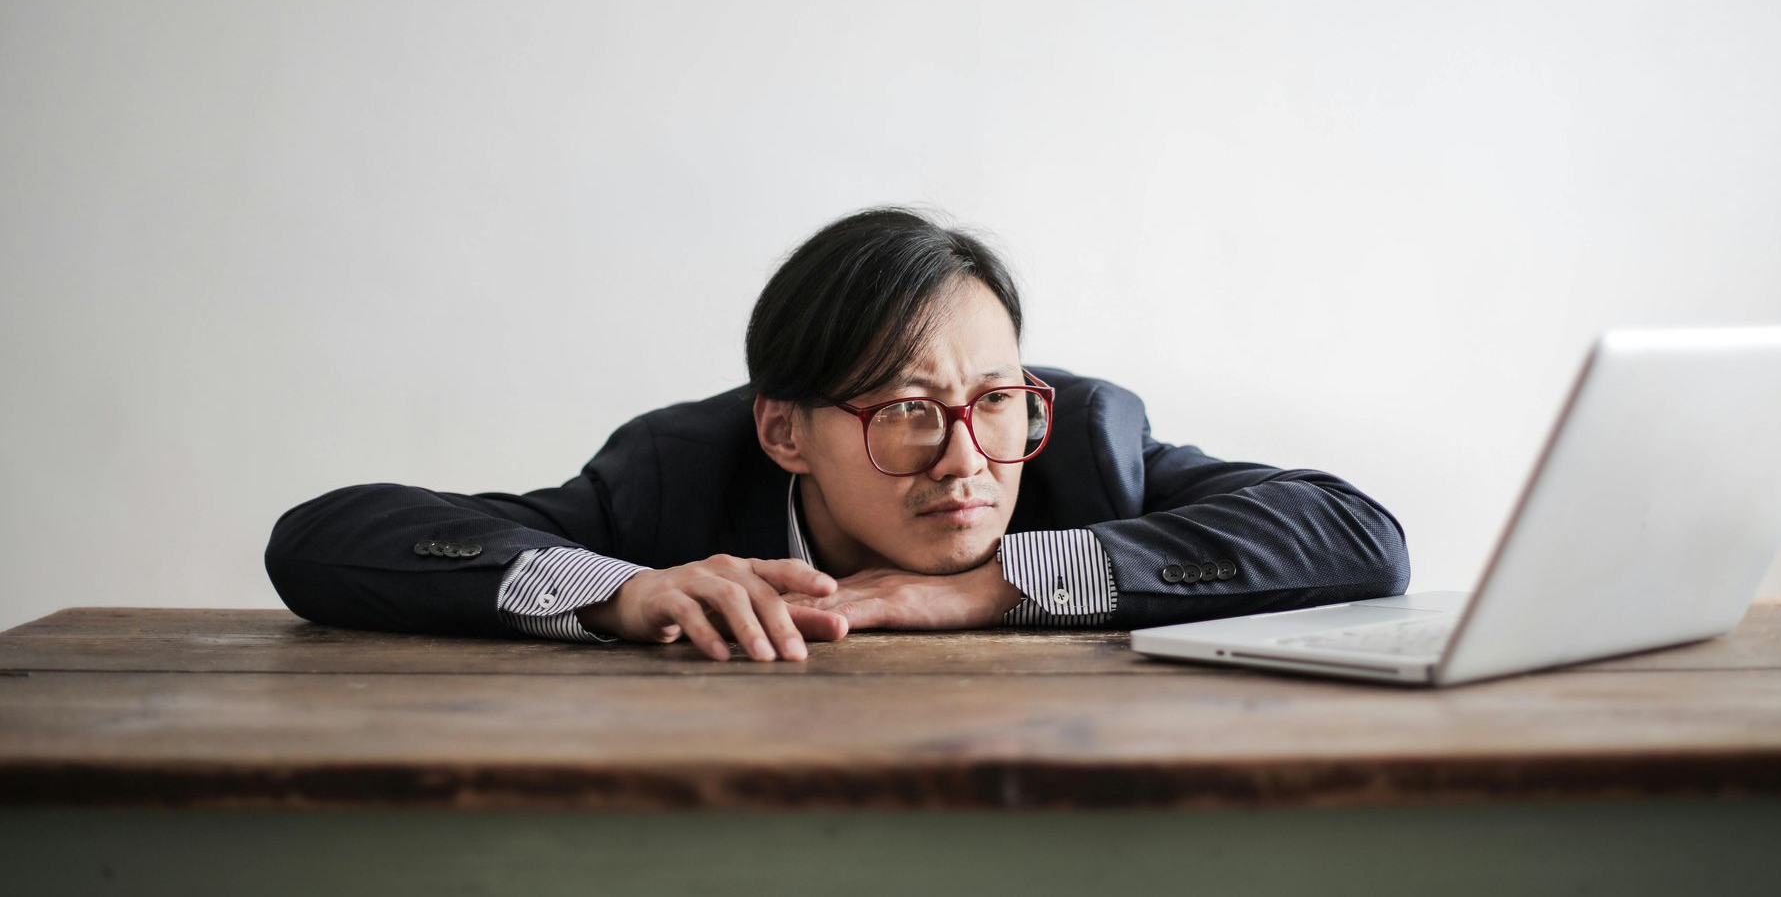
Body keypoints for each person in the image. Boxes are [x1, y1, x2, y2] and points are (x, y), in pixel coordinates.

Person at [265, 207, 1410, 662]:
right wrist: (623, 591)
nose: (968, 458)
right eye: (907, 410)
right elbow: (320, 539)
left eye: (995, 398)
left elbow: (1359, 534)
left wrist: (990, 587)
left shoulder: (1084, 442)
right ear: (783, 429)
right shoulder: (675, 475)